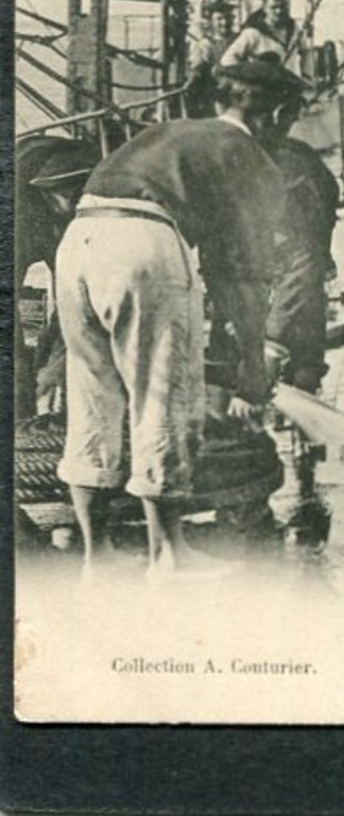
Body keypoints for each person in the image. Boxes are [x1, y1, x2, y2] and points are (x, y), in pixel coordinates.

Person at [53, 62, 291, 578]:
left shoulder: (168, 132)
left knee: (93, 394)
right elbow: (243, 274)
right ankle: (168, 553)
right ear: (276, 114)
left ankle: (98, 555)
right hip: (145, 243)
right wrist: (253, 359)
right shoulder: (248, 154)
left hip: (79, 239)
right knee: (162, 395)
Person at [258, 68, 341, 393]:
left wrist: (270, 347)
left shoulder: (295, 166)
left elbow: (303, 264)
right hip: (285, 257)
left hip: (301, 253)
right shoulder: (265, 156)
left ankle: (305, 383)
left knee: (305, 308)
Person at [14, 136, 98, 417]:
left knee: (76, 298)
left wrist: (51, 369)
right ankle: (22, 402)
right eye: (69, 198)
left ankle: (48, 383)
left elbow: (74, 303)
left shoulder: (81, 210)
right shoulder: (19, 215)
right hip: (26, 214)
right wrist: (22, 392)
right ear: (47, 193)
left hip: (52, 215)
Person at [220, 0, 297, 68]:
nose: (279, 11)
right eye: (274, 7)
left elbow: (307, 53)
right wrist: (251, 74)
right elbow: (227, 60)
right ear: (264, 8)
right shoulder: (253, 33)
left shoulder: (294, 29)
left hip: (291, 81)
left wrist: (308, 77)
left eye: (282, 6)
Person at [184, 0, 237, 118]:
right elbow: (197, 72)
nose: (225, 22)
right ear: (212, 21)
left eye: (228, 18)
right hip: (216, 94)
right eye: (219, 19)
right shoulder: (206, 44)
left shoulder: (240, 40)